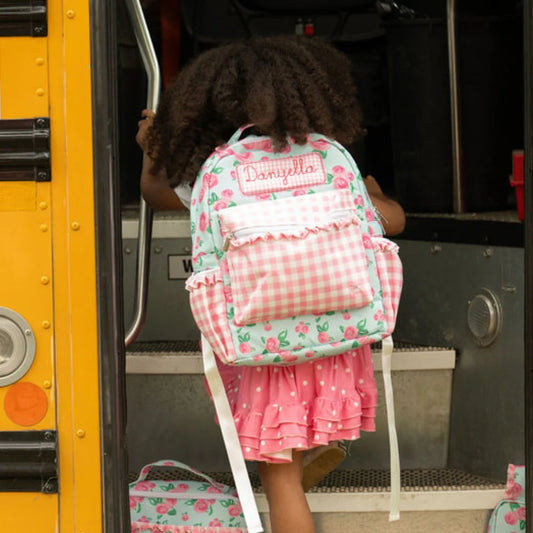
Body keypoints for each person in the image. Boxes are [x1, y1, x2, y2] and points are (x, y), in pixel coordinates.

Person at [136, 35, 405, 533]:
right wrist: (374, 193)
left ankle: (300, 462)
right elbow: (393, 221)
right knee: (292, 456)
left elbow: (155, 193)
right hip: (335, 335)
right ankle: (317, 443)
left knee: (279, 483)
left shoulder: (218, 172)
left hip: (261, 345)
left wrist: (153, 147)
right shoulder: (329, 160)